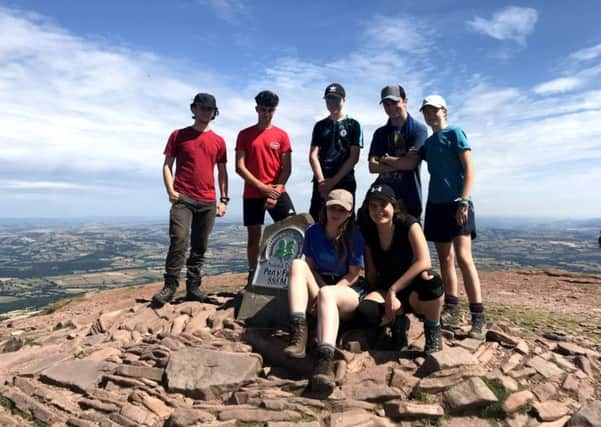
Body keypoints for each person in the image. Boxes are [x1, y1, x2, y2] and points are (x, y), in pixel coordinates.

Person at [284, 189, 365, 394]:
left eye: (341, 209)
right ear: (325, 208)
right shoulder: (313, 232)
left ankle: (325, 362)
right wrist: (320, 290)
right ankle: (298, 333)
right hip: (321, 284)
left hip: (346, 291)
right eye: (332, 207)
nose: (336, 212)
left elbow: (354, 274)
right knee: (297, 264)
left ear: (349, 213)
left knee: (328, 294)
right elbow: (310, 267)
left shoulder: (354, 236)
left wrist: (326, 292)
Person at [418, 94, 485, 339]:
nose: (429, 114)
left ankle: (478, 317)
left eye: (433, 110)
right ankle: (452, 308)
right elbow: (411, 159)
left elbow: (470, 169)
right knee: (445, 259)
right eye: (426, 111)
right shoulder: (428, 143)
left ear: (444, 110)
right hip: (435, 205)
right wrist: (385, 162)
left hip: (458, 203)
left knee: (464, 258)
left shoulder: (456, 133)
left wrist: (464, 200)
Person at [153, 93, 229, 306]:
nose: (206, 112)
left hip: (208, 200)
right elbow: (167, 165)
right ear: (194, 109)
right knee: (179, 238)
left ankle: (193, 288)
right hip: (183, 197)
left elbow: (223, 172)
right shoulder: (178, 135)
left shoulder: (219, 141)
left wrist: (224, 199)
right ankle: (170, 286)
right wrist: (170, 190)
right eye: (202, 108)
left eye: (210, 109)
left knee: (200, 245)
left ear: (214, 113)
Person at [356, 184, 444, 354]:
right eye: (373, 206)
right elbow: (372, 272)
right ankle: (397, 323)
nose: (378, 210)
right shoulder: (369, 233)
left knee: (431, 280)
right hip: (386, 288)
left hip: (412, 287)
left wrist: (394, 290)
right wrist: (372, 292)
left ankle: (433, 329)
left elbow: (424, 261)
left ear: (394, 206)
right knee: (366, 311)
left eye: (383, 205)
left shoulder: (409, 224)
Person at [235, 90, 296, 284]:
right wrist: (263, 188)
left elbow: (287, 169)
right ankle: (253, 274)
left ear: (275, 110)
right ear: (256, 109)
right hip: (253, 192)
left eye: (270, 110)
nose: (266, 113)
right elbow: (239, 167)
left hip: (277, 191)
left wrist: (275, 191)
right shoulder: (245, 134)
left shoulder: (282, 135)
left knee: (292, 226)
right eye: (263, 109)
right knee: (254, 236)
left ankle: (288, 274)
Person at [367, 85, 428, 219]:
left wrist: (385, 159)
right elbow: (372, 167)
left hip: (409, 199)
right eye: (386, 104)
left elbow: (411, 164)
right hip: (381, 199)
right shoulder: (380, 133)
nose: (390, 107)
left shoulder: (418, 130)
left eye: (394, 102)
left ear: (405, 101)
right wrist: (401, 161)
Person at [308, 83, 363, 221]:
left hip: (344, 181)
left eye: (336, 99)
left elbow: (354, 157)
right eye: (329, 100)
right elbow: (313, 155)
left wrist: (333, 182)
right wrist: (322, 182)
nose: (332, 103)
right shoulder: (320, 126)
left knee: (344, 222)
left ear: (343, 100)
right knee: (317, 221)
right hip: (321, 181)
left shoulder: (353, 124)